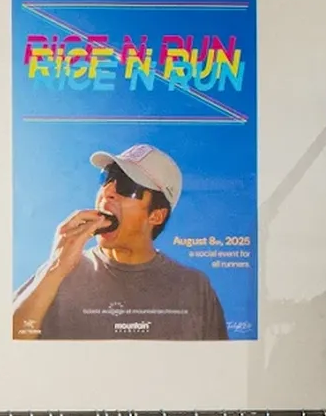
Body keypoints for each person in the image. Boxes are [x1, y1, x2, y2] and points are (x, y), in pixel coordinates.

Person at [13, 144, 228, 341]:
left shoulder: (194, 288)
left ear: (156, 216)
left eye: (126, 186)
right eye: (106, 179)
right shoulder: (59, 273)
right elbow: (4, 350)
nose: (108, 192)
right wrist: (56, 268)